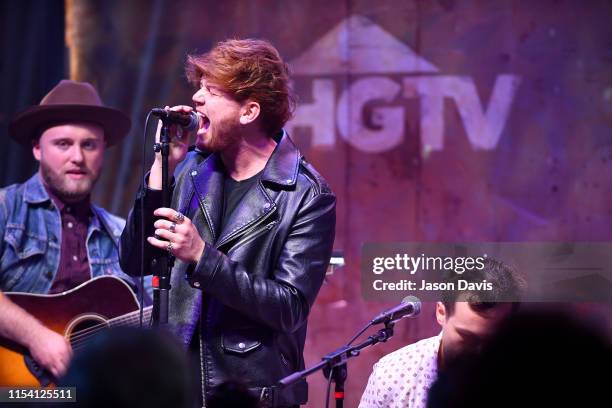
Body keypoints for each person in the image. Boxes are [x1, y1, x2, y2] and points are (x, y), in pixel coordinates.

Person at [120, 38, 336, 407]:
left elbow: (289, 307)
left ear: (249, 111)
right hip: (172, 387)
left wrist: (203, 257)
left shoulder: (305, 194)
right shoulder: (190, 169)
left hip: (246, 394)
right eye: (198, 88)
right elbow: (135, 260)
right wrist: (163, 167)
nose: (196, 100)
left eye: (211, 91)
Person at [0, 80, 144, 381]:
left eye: (89, 144)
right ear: (37, 148)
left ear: (103, 150)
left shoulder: (121, 235)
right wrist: (37, 337)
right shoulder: (5, 208)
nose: (78, 157)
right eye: (63, 144)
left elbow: (155, 316)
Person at [358, 258, 524, 408]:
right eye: (467, 338)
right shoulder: (393, 373)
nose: (480, 353)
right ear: (441, 313)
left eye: (493, 342)